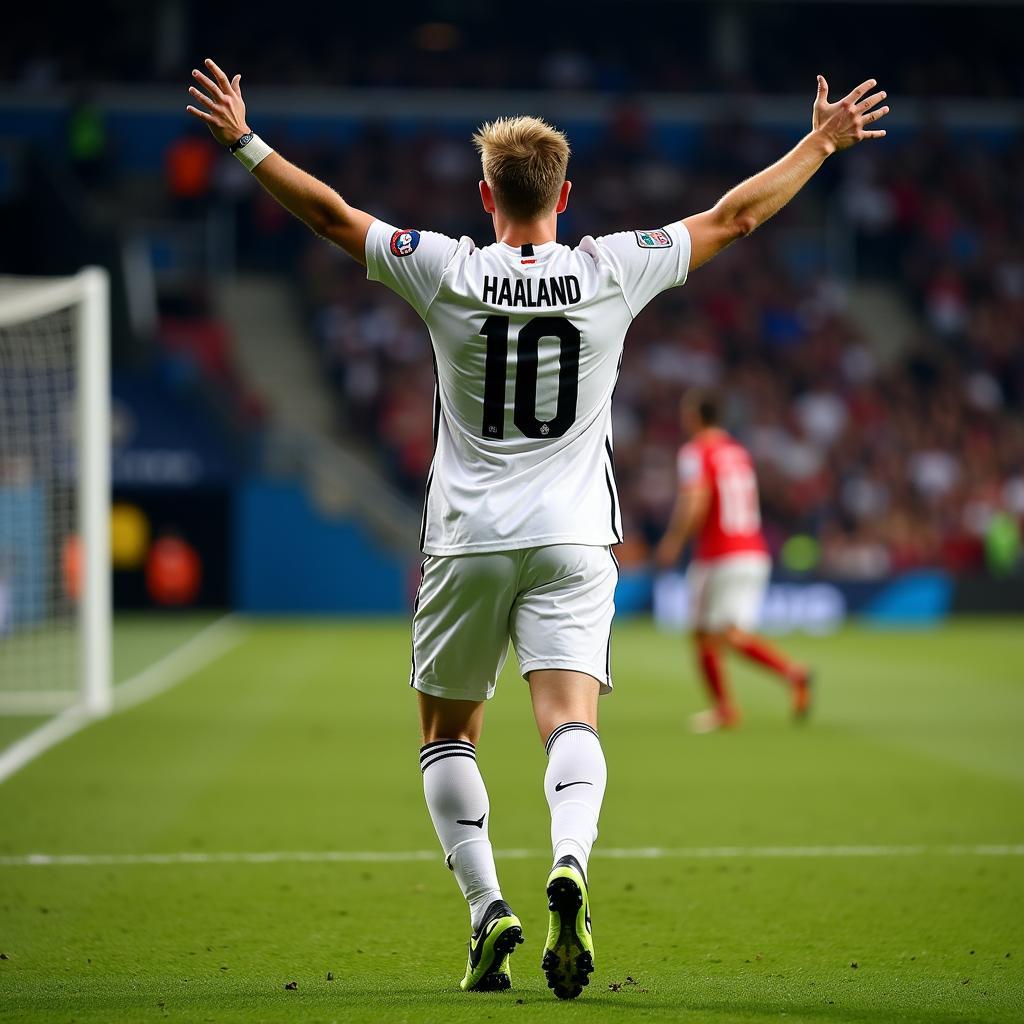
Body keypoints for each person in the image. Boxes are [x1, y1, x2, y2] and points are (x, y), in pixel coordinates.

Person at [185, 58, 888, 998]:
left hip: (467, 536)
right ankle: (571, 865)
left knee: (448, 735)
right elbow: (736, 217)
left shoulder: (444, 267)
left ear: (485, 196)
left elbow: (330, 216)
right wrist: (821, 140)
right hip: (571, 538)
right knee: (568, 719)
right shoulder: (611, 267)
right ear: (569, 193)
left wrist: (242, 140)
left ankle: (487, 913)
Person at [655, 391, 813, 732]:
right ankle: (733, 704)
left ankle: (776, 681)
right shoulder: (738, 452)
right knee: (714, 632)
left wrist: (674, 540)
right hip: (752, 551)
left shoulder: (696, 451)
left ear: (696, 417)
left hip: (719, 554)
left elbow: (696, 499)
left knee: (719, 633)